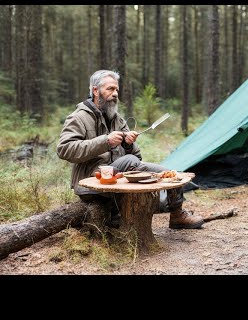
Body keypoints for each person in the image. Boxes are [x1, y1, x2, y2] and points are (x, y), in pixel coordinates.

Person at [57, 69, 203, 229]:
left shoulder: (117, 119)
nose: (115, 94)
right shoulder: (79, 117)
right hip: (91, 181)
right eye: (110, 89)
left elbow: (137, 158)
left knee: (171, 173)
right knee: (130, 161)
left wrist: (128, 144)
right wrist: (106, 141)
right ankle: (117, 214)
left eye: (117, 90)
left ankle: (177, 215)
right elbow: (64, 149)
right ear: (95, 90)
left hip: (118, 176)